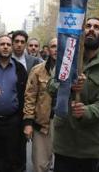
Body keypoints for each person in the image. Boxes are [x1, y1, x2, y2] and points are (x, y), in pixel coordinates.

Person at [50, 17, 99, 172]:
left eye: (97, 27)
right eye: (88, 26)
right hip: (65, 143)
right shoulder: (66, 59)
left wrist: (86, 111)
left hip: (92, 146)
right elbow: (50, 86)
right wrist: (68, 86)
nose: (91, 29)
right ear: (81, 31)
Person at [0, 34, 28, 172]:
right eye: (2, 44)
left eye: (8, 44)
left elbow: (26, 96)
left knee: (12, 160)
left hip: (13, 122)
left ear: (12, 47)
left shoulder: (20, 69)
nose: (6, 47)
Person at [24, 37, 57, 172]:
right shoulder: (38, 70)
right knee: (40, 165)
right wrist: (28, 123)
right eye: (53, 46)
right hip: (43, 124)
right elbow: (30, 97)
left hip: (66, 125)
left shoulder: (73, 71)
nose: (57, 49)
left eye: (60, 46)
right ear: (48, 49)